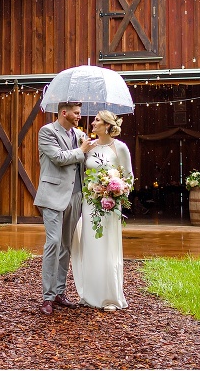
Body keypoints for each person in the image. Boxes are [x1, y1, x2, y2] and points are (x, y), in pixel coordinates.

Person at [34, 101, 96, 315]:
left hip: (75, 196)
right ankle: (47, 297)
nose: (80, 116)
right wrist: (81, 150)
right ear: (64, 112)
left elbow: (82, 162)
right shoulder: (47, 132)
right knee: (53, 242)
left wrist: (88, 152)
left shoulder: (78, 135)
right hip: (52, 196)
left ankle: (60, 292)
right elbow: (59, 158)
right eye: (77, 113)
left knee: (66, 245)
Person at [71, 110, 132, 311]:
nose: (93, 123)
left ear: (107, 125)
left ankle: (109, 297)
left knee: (107, 247)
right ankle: (90, 294)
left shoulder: (120, 148)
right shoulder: (89, 146)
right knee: (90, 245)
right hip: (89, 203)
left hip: (109, 205)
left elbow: (129, 178)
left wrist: (115, 193)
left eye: (97, 120)